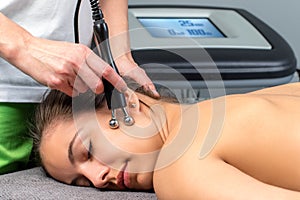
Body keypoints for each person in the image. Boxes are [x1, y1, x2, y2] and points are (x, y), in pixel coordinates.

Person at [31, 81, 300, 199]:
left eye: (88, 150)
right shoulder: (269, 96)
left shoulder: (177, 170)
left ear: (126, 102)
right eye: (81, 182)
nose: (98, 179)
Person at [0, 0, 158, 174]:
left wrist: (118, 56)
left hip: (79, 91)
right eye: (89, 148)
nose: (99, 179)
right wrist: (25, 47)